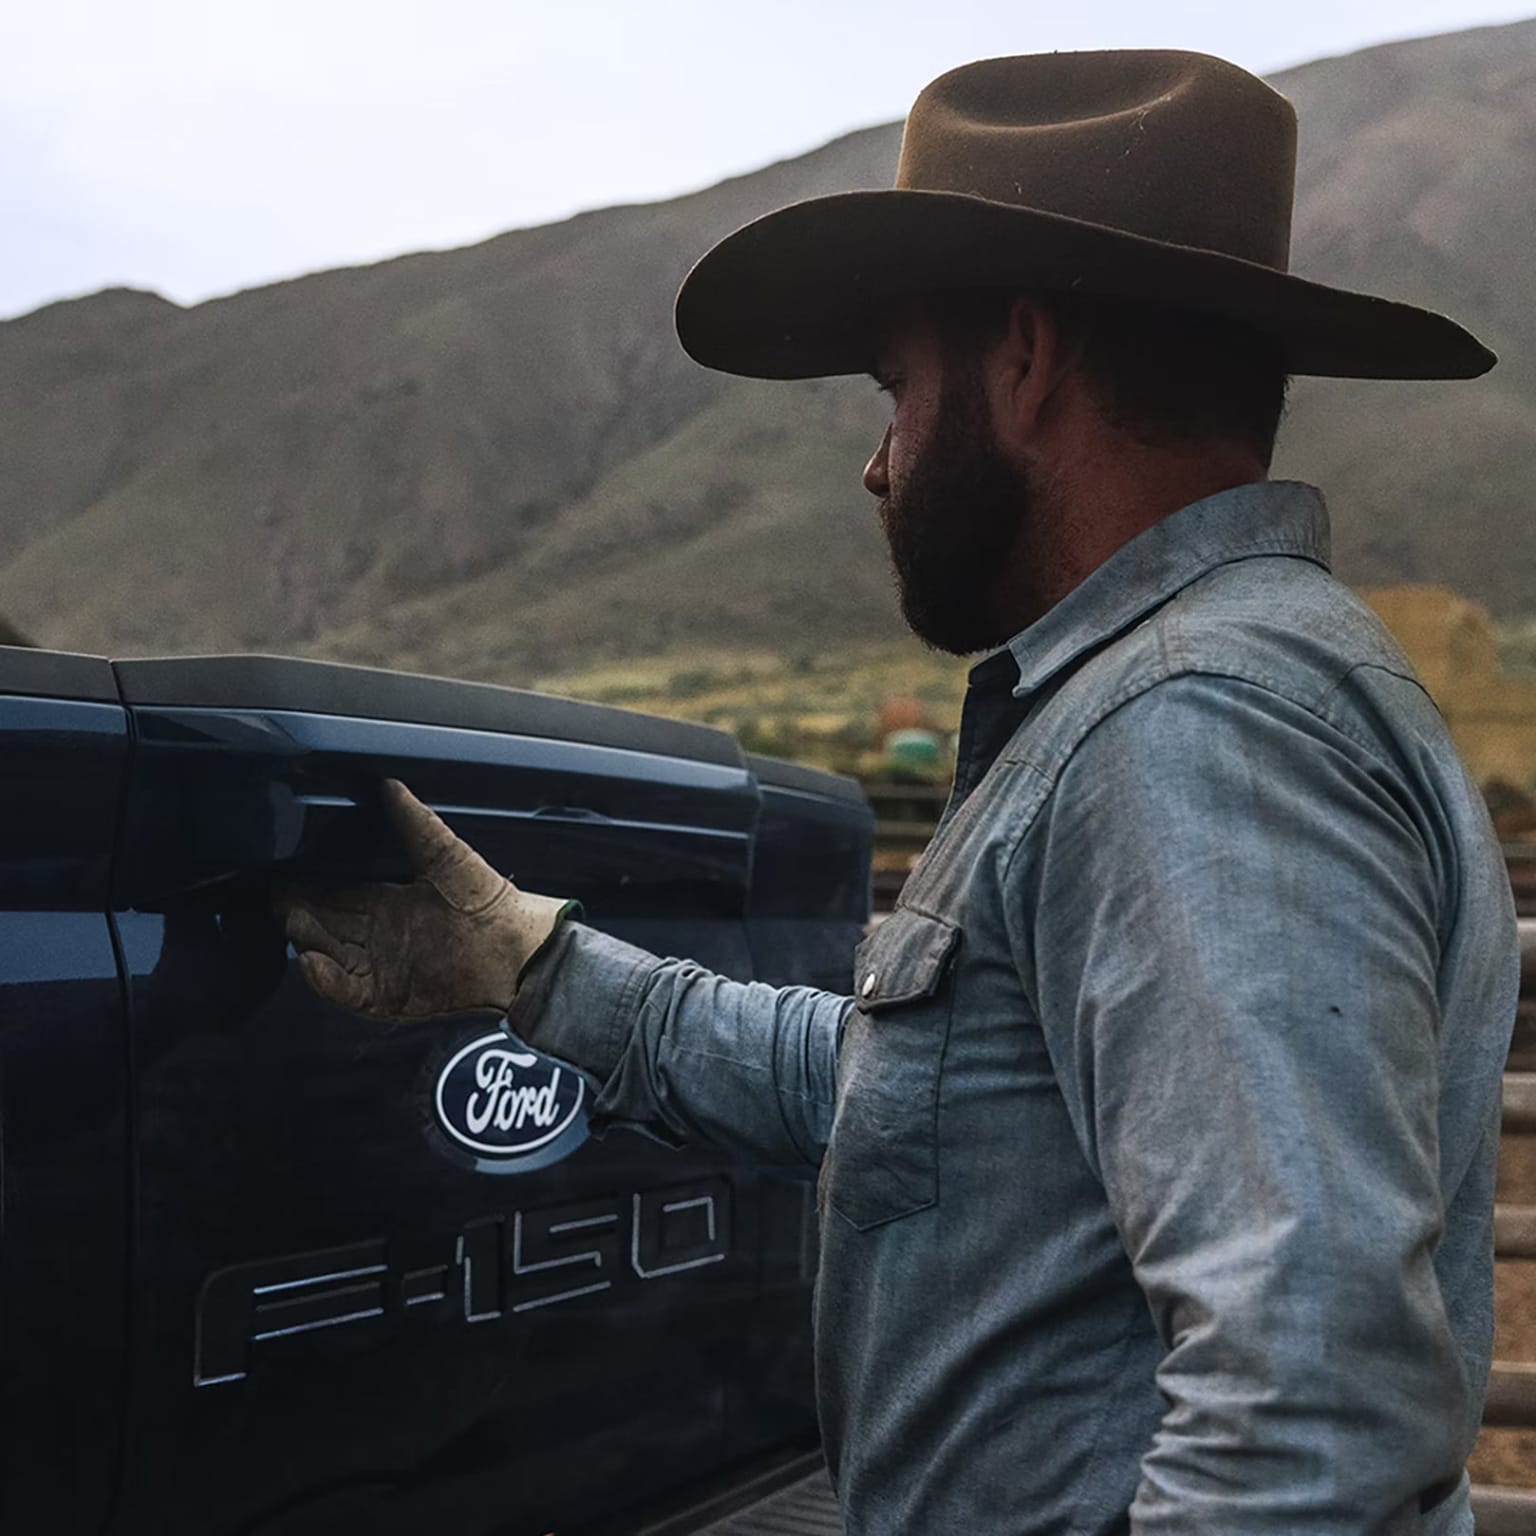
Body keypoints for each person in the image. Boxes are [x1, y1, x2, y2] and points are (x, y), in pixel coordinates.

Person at [279, 50, 1518, 1534]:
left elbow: (1313, 1407)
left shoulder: (1192, 725)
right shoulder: (1189, 696)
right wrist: (546, 975)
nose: (877, 465)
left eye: (896, 390)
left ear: (1026, 359)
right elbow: (950, 1111)